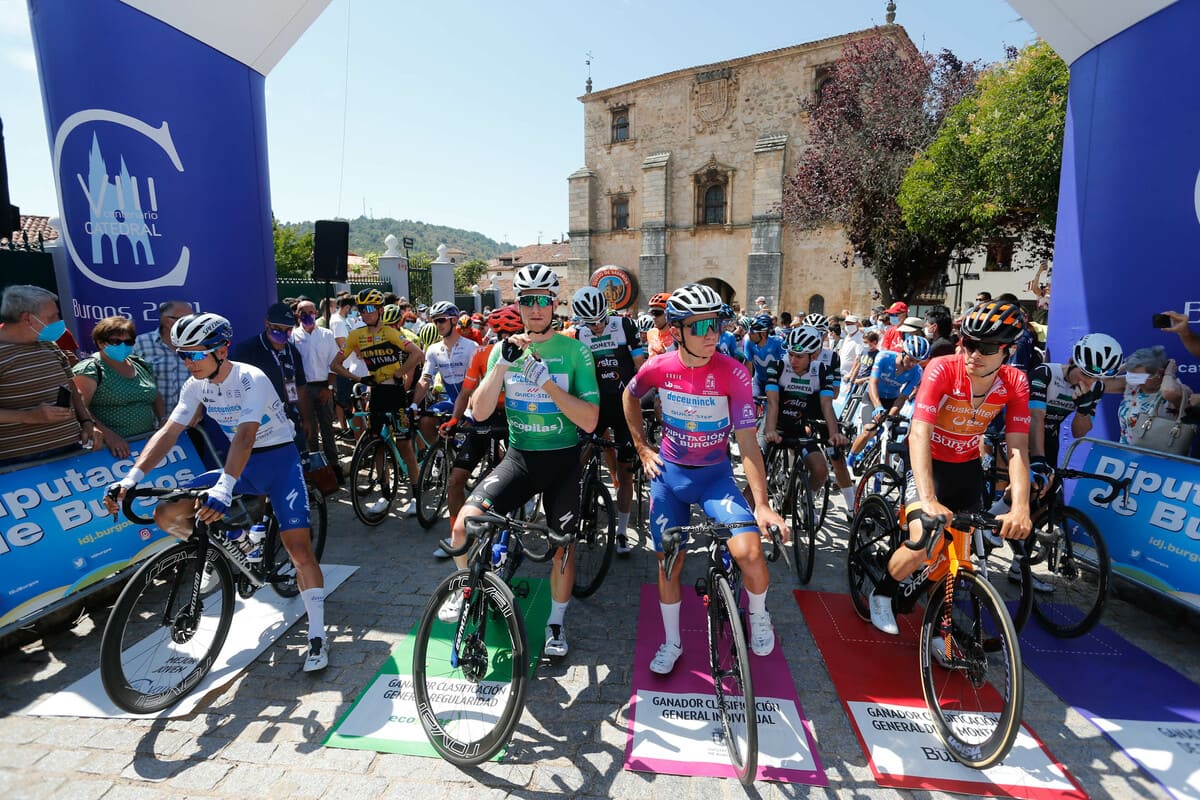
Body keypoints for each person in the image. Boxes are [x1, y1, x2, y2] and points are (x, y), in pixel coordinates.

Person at [104, 313, 329, 671]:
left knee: (299, 550)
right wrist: (130, 478)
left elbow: (245, 435)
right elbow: (168, 432)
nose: (188, 362)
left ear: (221, 350)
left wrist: (224, 488)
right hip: (239, 464)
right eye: (183, 355)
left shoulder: (250, 378)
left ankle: (318, 633)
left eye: (195, 354)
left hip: (277, 463)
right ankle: (238, 540)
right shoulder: (195, 386)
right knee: (167, 514)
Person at [622, 283, 789, 675]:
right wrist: (642, 448)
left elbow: (748, 444)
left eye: (716, 324)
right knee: (670, 565)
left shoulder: (733, 373)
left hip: (715, 477)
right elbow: (629, 396)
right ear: (677, 331)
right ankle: (672, 641)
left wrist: (762, 504)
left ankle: (759, 616)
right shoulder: (659, 366)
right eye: (700, 327)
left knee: (750, 554)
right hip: (670, 477)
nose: (712, 333)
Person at [441, 263, 599, 659]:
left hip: (563, 461)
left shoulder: (575, 350)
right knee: (463, 526)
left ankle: (556, 622)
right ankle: (465, 588)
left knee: (564, 547)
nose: (534, 309)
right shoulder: (501, 348)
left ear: (553, 303)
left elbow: (590, 420)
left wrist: (545, 382)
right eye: (526, 301)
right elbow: (478, 414)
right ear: (519, 304)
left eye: (542, 301)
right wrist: (502, 366)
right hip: (520, 458)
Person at [868, 301, 1033, 639]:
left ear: (1009, 350)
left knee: (958, 555)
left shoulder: (1015, 382)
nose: (973, 353)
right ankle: (883, 592)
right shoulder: (942, 368)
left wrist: (1021, 507)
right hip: (929, 464)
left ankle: (939, 631)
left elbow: (1017, 448)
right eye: (968, 342)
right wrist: (927, 499)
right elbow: (919, 432)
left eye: (985, 348)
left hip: (966, 469)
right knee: (924, 543)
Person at [432, 304, 522, 559]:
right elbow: (466, 392)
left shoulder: (531, 353)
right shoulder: (482, 353)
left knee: (511, 477)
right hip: (484, 417)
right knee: (455, 480)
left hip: (516, 416)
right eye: (501, 334)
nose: (505, 340)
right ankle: (456, 538)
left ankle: (507, 532)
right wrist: (454, 419)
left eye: (511, 333)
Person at [330, 289, 426, 515]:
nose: (365, 313)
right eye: (361, 309)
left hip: (395, 394)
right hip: (375, 394)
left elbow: (418, 354)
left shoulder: (390, 333)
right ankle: (385, 494)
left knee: (404, 445)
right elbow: (335, 365)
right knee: (377, 445)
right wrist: (359, 378)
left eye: (370, 309)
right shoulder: (356, 335)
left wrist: (399, 373)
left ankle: (416, 494)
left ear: (380, 310)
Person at [570, 286, 646, 554]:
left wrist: (649, 395)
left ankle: (623, 531)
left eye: (601, 320)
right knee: (576, 458)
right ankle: (577, 505)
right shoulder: (580, 334)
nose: (597, 327)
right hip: (596, 407)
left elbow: (640, 365)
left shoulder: (625, 325)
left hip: (625, 406)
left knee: (626, 474)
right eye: (591, 323)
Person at [0, 285, 103, 464]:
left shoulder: (49, 345)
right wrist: (29, 417)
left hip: (70, 453)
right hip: (21, 466)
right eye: (52, 317)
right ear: (27, 318)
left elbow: (72, 388)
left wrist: (87, 422)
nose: (59, 321)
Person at [762, 326, 854, 510]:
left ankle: (816, 501)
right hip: (782, 415)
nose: (793, 360)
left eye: (800, 356)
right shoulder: (779, 365)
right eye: (791, 354)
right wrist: (770, 430)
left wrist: (834, 433)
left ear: (814, 354)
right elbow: (773, 404)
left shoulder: (827, 365)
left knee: (828, 463)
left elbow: (829, 402)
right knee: (758, 471)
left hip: (810, 413)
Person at [72, 316, 162, 458]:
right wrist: (109, 436)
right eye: (116, 341)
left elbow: (155, 395)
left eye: (128, 342)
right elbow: (79, 408)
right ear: (101, 343)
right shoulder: (90, 369)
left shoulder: (140, 364)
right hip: (108, 451)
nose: (123, 346)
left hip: (145, 444)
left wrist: (163, 420)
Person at [231, 303, 308, 450]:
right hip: (260, 424)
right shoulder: (247, 350)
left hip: (289, 420)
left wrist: (307, 419)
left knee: (297, 465)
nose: (283, 334)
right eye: (277, 329)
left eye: (288, 330)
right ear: (267, 323)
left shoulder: (293, 352)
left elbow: (301, 386)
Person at [847, 335, 927, 465]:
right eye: (910, 359)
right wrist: (878, 407)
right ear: (903, 352)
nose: (912, 364)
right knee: (870, 429)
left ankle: (880, 471)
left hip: (892, 400)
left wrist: (889, 416)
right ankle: (849, 461)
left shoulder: (917, 372)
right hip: (872, 397)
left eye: (917, 361)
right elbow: (873, 383)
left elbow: (902, 397)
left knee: (886, 438)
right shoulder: (884, 357)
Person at [291, 298, 343, 483]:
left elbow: (334, 363)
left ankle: (334, 465)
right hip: (303, 390)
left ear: (316, 313)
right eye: (303, 313)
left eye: (311, 312)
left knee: (327, 428)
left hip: (323, 386)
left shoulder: (327, 335)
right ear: (297, 316)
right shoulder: (293, 338)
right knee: (309, 430)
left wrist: (329, 388)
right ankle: (314, 469)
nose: (308, 316)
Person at [415, 301, 480, 451]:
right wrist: (413, 404)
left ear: (454, 320)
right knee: (425, 422)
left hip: (472, 400)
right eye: (434, 321)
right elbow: (425, 379)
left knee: (482, 439)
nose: (438, 324)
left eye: (441, 320)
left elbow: (479, 382)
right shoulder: (433, 349)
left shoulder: (471, 347)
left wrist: (471, 409)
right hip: (451, 400)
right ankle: (442, 453)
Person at [1117, 346, 1188, 446]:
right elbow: (1097, 380)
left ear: (1159, 373)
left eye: (1142, 376)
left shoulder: (1178, 389)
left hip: (1161, 458)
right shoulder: (1133, 386)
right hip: (1126, 457)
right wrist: (1121, 367)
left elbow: (1168, 391)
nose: (1137, 381)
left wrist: (1169, 373)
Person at [133, 300, 194, 411]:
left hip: (189, 420)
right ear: (168, 322)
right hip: (150, 421)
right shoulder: (140, 343)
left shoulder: (197, 345)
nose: (192, 324)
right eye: (187, 320)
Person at [743, 313, 786, 398]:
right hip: (758, 381)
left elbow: (786, 365)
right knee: (753, 404)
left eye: (752, 331)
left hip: (776, 382)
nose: (748, 334)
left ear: (763, 333)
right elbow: (748, 367)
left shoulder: (778, 341)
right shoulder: (749, 342)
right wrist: (745, 385)